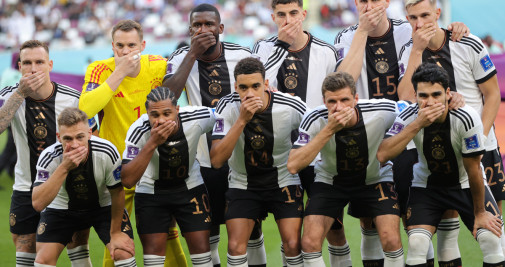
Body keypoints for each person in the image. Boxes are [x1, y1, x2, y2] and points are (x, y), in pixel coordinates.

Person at [334, 0, 468, 264]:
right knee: (369, 221)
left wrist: (457, 28)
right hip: (367, 140)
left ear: (386, 1)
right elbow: (344, 84)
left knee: (416, 220)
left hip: (411, 136)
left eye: (375, 0)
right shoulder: (346, 36)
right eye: (362, 0)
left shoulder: (408, 29)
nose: (369, 5)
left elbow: (440, 40)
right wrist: (362, 31)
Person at [398, 0, 503, 264]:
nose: (419, 23)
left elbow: (492, 95)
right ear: (406, 18)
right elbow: (405, 99)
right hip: (436, 150)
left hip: (481, 146)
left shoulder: (468, 43)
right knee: (446, 229)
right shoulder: (409, 51)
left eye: (425, 15)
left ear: (437, 13)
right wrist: (417, 50)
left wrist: (480, 137)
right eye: (412, 17)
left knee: (493, 230)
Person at [162, 4, 264, 266]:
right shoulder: (180, 58)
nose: (203, 30)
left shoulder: (241, 54)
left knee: (250, 228)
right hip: (203, 158)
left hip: (242, 153)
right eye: (197, 25)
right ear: (190, 30)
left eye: (209, 24)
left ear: (221, 28)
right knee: (210, 228)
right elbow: (168, 98)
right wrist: (192, 54)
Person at [79, 20, 187, 267]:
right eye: (120, 46)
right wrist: (119, 73)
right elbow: (85, 110)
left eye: (131, 46)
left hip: (155, 164)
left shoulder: (158, 65)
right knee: (117, 241)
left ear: (143, 45)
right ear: (112, 45)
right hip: (117, 170)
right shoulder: (99, 69)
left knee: (168, 237)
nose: (126, 51)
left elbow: (177, 100)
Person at [377, 62, 504, 266]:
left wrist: (480, 212)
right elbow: (383, 154)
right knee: (417, 243)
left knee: (491, 239)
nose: (430, 102)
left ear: (447, 93)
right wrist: (418, 123)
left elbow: (473, 169)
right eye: (423, 96)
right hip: (427, 186)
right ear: (416, 96)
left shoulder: (466, 117)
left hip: (464, 184)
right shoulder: (409, 116)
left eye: (436, 95)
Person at [252, 0, 348, 265]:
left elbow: (337, 97)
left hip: (317, 152)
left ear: (304, 14)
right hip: (276, 152)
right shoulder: (262, 48)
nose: (288, 20)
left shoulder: (326, 51)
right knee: (290, 232)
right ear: (273, 17)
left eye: (293, 13)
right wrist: (280, 46)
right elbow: (258, 89)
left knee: (334, 228)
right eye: (281, 14)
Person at [288, 71, 405, 267]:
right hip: (330, 182)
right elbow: (293, 165)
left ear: (356, 98)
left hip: (374, 179)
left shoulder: (382, 110)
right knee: (309, 243)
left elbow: (414, 109)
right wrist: (329, 129)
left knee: (391, 240)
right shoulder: (314, 118)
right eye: (332, 101)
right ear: (323, 100)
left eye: (345, 100)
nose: (338, 107)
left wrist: (454, 99)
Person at [0, 40, 92, 267]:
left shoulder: (72, 97)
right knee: (25, 259)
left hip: (68, 187)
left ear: (50, 64)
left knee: (79, 254)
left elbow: (91, 139)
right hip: (25, 188)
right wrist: (20, 93)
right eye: (27, 63)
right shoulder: (11, 95)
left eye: (39, 62)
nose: (33, 69)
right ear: (19, 66)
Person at [210, 57, 306, 267]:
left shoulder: (290, 105)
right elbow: (217, 160)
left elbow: (316, 132)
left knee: (292, 243)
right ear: (235, 87)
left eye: (256, 86)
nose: (250, 93)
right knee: (235, 247)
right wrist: (242, 120)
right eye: (243, 88)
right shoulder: (227, 106)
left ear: (266, 83)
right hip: (243, 183)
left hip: (283, 181)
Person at [121, 87, 215, 267]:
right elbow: (127, 180)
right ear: (147, 113)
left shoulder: (197, 117)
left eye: (167, 113)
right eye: (154, 115)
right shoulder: (138, 130)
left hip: (190, 187)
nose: (161, 120)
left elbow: (226, 113)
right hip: (151, 192)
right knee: (153, 257)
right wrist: (153, 142)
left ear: (177, 110)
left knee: (202, 249)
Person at [31, 107, 136, 267]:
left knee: (123, 252)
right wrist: (64, 167)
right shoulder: (49, 157)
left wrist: (115, 233)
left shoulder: (107, 151)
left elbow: (117, 192)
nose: (74, 145)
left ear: (89, 133)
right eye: (68, 138)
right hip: (62, 210)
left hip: (103, 207)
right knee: (42, 261)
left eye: (80, 137)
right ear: (59, 137)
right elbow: (38, 203)